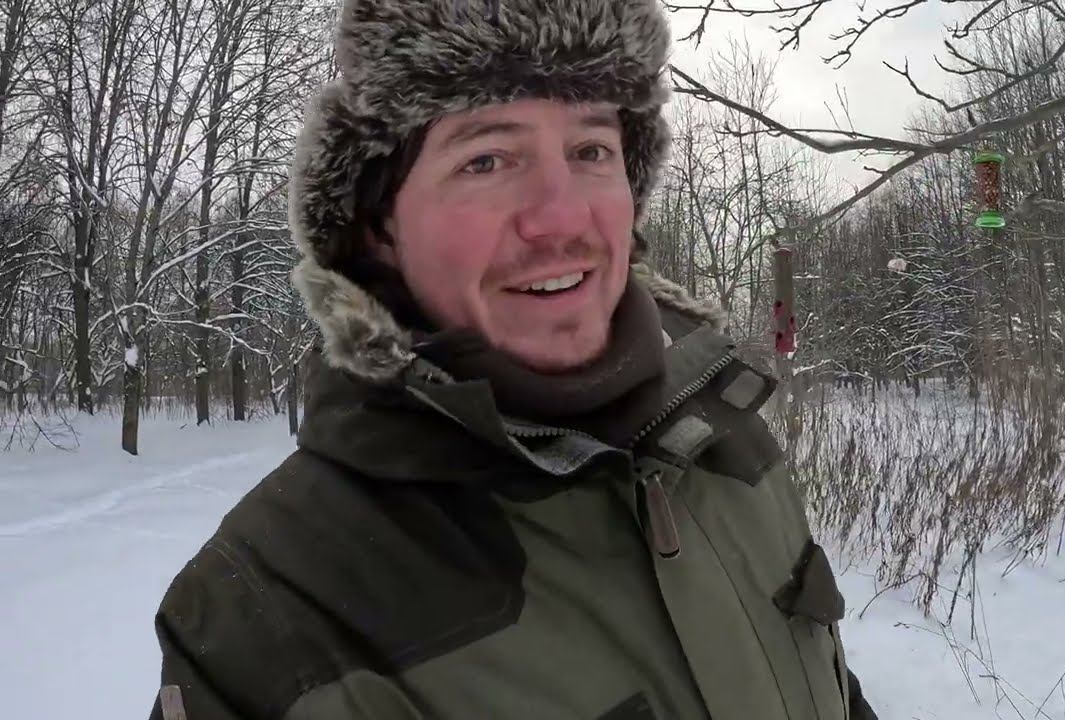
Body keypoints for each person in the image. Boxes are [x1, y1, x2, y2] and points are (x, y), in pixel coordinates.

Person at [149, 1, 879, 718]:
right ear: (376, 227)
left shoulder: (726, 437)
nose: (561, 217)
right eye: (486, 160)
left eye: (591, 151)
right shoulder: (269, 622)